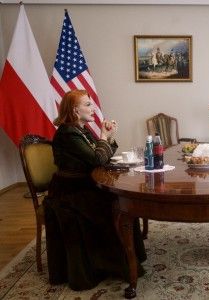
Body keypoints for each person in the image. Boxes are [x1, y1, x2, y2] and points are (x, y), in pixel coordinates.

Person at [43, 89, 146, 290]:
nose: (93, 108)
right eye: (88, 104)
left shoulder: (80, 130)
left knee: (121, 203)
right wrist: (103, 135)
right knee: (116, 207)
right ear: (74, 109)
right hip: (69, 193)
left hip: (82, 186)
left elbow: (101, 156)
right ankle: (110, 265)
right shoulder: (67, 132)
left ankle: (125, 259)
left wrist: (109, 137)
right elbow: (97, 159)